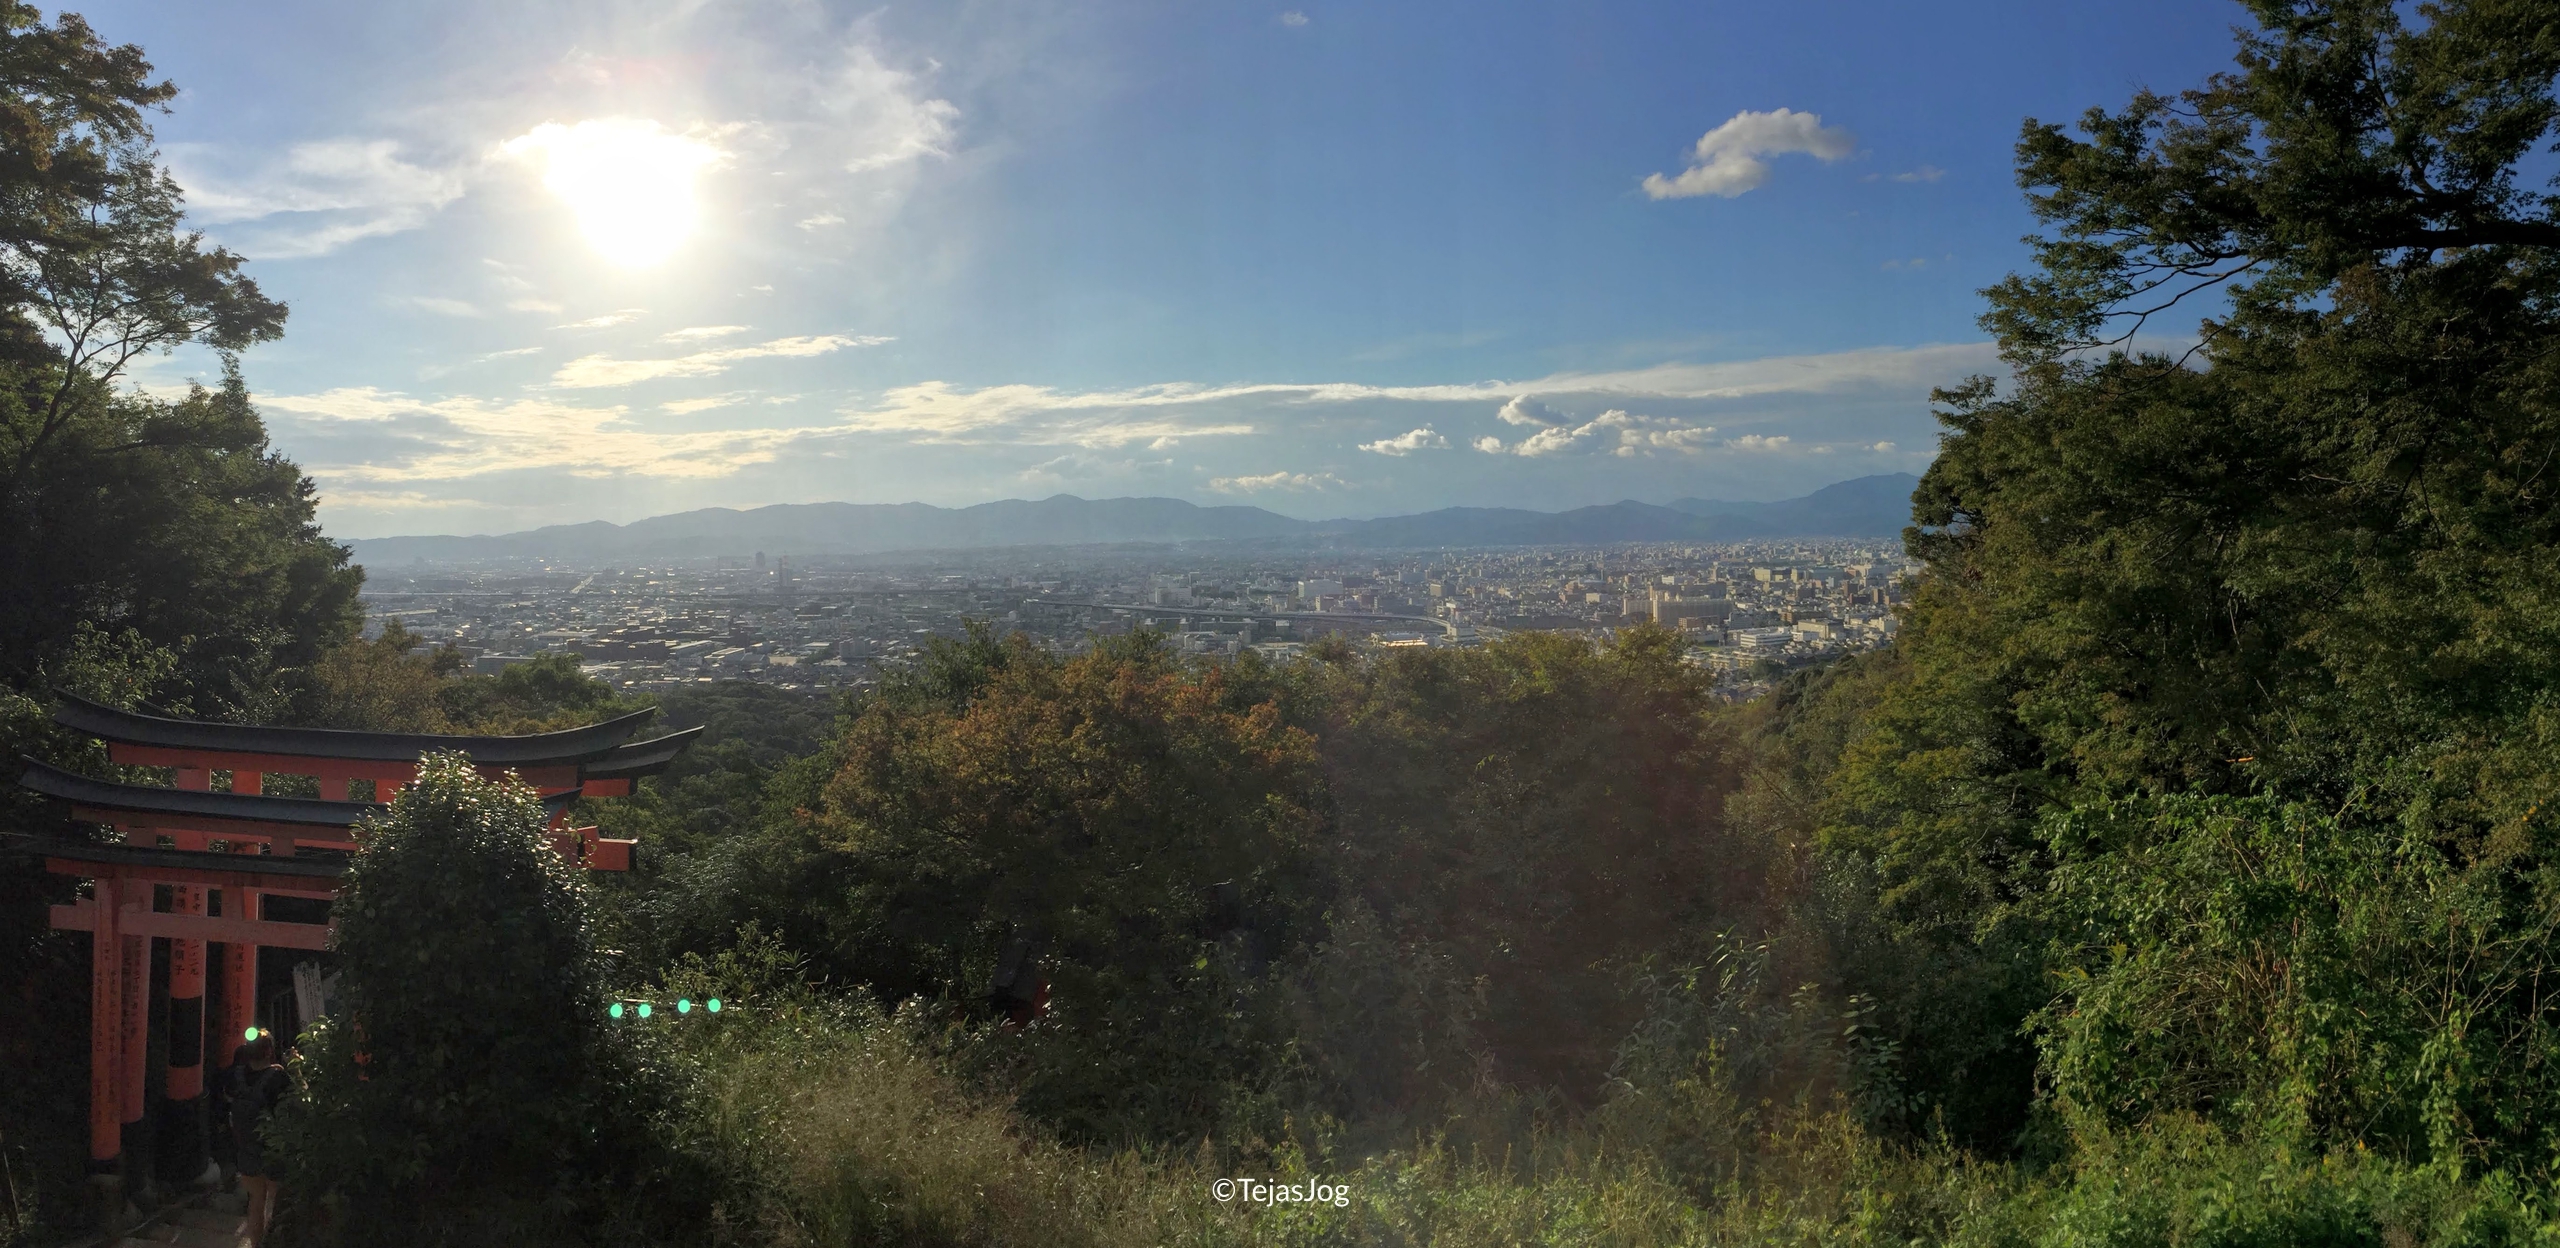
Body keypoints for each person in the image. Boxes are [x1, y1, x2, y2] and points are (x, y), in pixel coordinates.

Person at [227, 1034, 291, 1247]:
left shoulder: (236, 1077)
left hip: (245, 1148)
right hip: (273, 1149)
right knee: (274, 1201)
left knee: (255, 1202)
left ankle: (256, 1245)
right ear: (269, 1051)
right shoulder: (278, 1078)